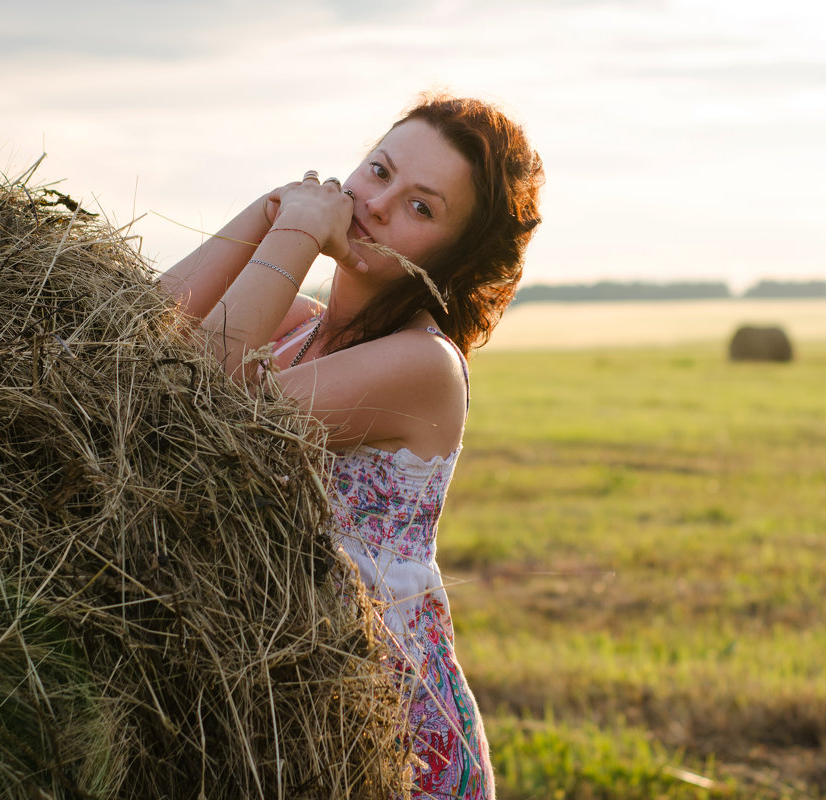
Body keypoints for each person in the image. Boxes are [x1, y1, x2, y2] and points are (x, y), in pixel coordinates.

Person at [160, 94, 544, 799]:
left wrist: (297, 234)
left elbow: (194, 406)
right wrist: (269, 210)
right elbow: (133, 344)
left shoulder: (424, 366)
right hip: (284, 695)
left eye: (421, 208)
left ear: (455, 261)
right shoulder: (296, 329)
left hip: (378, 735)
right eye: (378, 171)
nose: (378, 203)